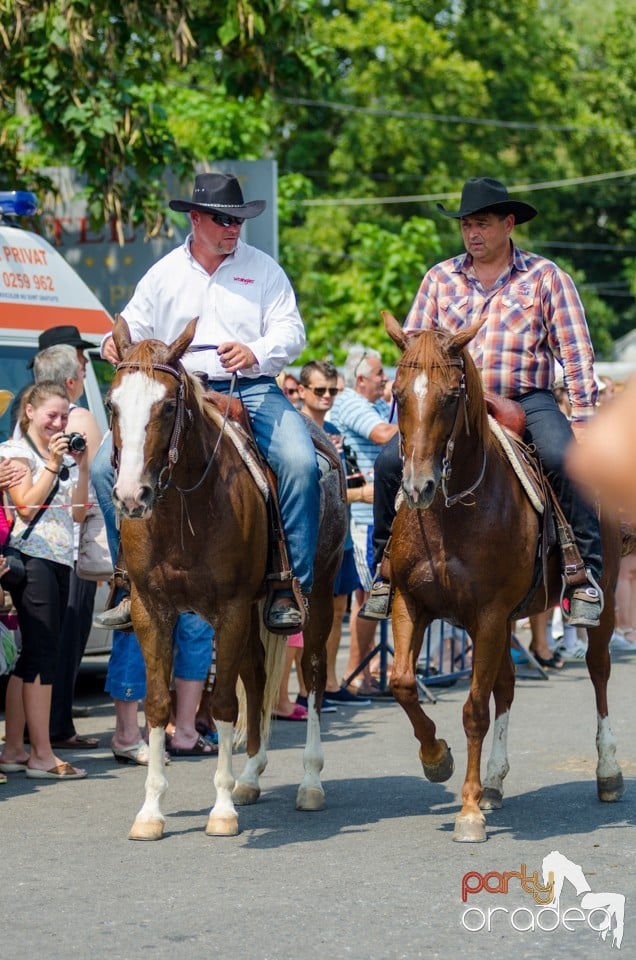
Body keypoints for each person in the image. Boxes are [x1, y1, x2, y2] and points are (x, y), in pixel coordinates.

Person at [368, 176, 604, 630]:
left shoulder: (546, 277)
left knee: (563, 458)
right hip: (452, 404)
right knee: (385, 465)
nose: (472, 233)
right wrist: (411, 415)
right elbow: (415, 349)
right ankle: (384, 571)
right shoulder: (439, 278)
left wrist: (584, 420)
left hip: (524, 398)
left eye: (482, 223)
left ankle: (583, 574)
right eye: (465, 225)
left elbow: (576, 352)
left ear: (508, 223)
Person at [97, 171, 320, 632]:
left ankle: (289, 583)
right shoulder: (162, 274)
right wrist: (111, 344)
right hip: (175, 392)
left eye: (238, 219)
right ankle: (127, 578)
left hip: (250, 387)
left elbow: (291, 330)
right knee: (102, 468)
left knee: (300, 463)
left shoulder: (263, 269)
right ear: (195, 218)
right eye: (222, 219)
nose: (233, 228)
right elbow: (131, 327)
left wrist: (255, 351)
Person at [0, 382, 89, 780]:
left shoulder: (62, 457)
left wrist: (81, 466)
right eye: (51, 415)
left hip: (58, 558)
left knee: (33, 655)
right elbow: (25, 503)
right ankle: (41, 754)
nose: (58, 423)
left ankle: (14, 749)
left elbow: (77, 515)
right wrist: (52, 465)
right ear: (29, 411)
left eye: (65, 416)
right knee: (42, 655)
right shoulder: (15, 453)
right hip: (31, 556)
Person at [31, 344, 103, 748]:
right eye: (80, 369)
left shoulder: (31, 422)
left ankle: (43, 727)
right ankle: (58, 728)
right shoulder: (80, 419)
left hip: (41, 542)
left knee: (43, 642)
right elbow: (99, 476)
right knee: (68, 637)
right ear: (70, 379)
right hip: (74, 543)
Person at [297, 359, 370, 706]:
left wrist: (355, 492)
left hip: (339, 533)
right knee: (307, 612)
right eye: (319, 390)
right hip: (310, 534)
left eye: (332, 391)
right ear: (301, 391)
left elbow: (347, 479)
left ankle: (329, 682)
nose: (327, 397)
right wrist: (359, 494)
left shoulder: (336, 430)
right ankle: (305, 688)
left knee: (337, 609)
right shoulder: (295, 431)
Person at [329, 347, 398, 694]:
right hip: (359, 515)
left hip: (379, 511)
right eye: (379, 374)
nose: (385, 378)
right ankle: (356, 673)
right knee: (368, 595)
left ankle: (368, 667)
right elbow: (386, 435)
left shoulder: (378, 404)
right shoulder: (350, 402)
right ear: (360, 380)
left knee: (373, 594)